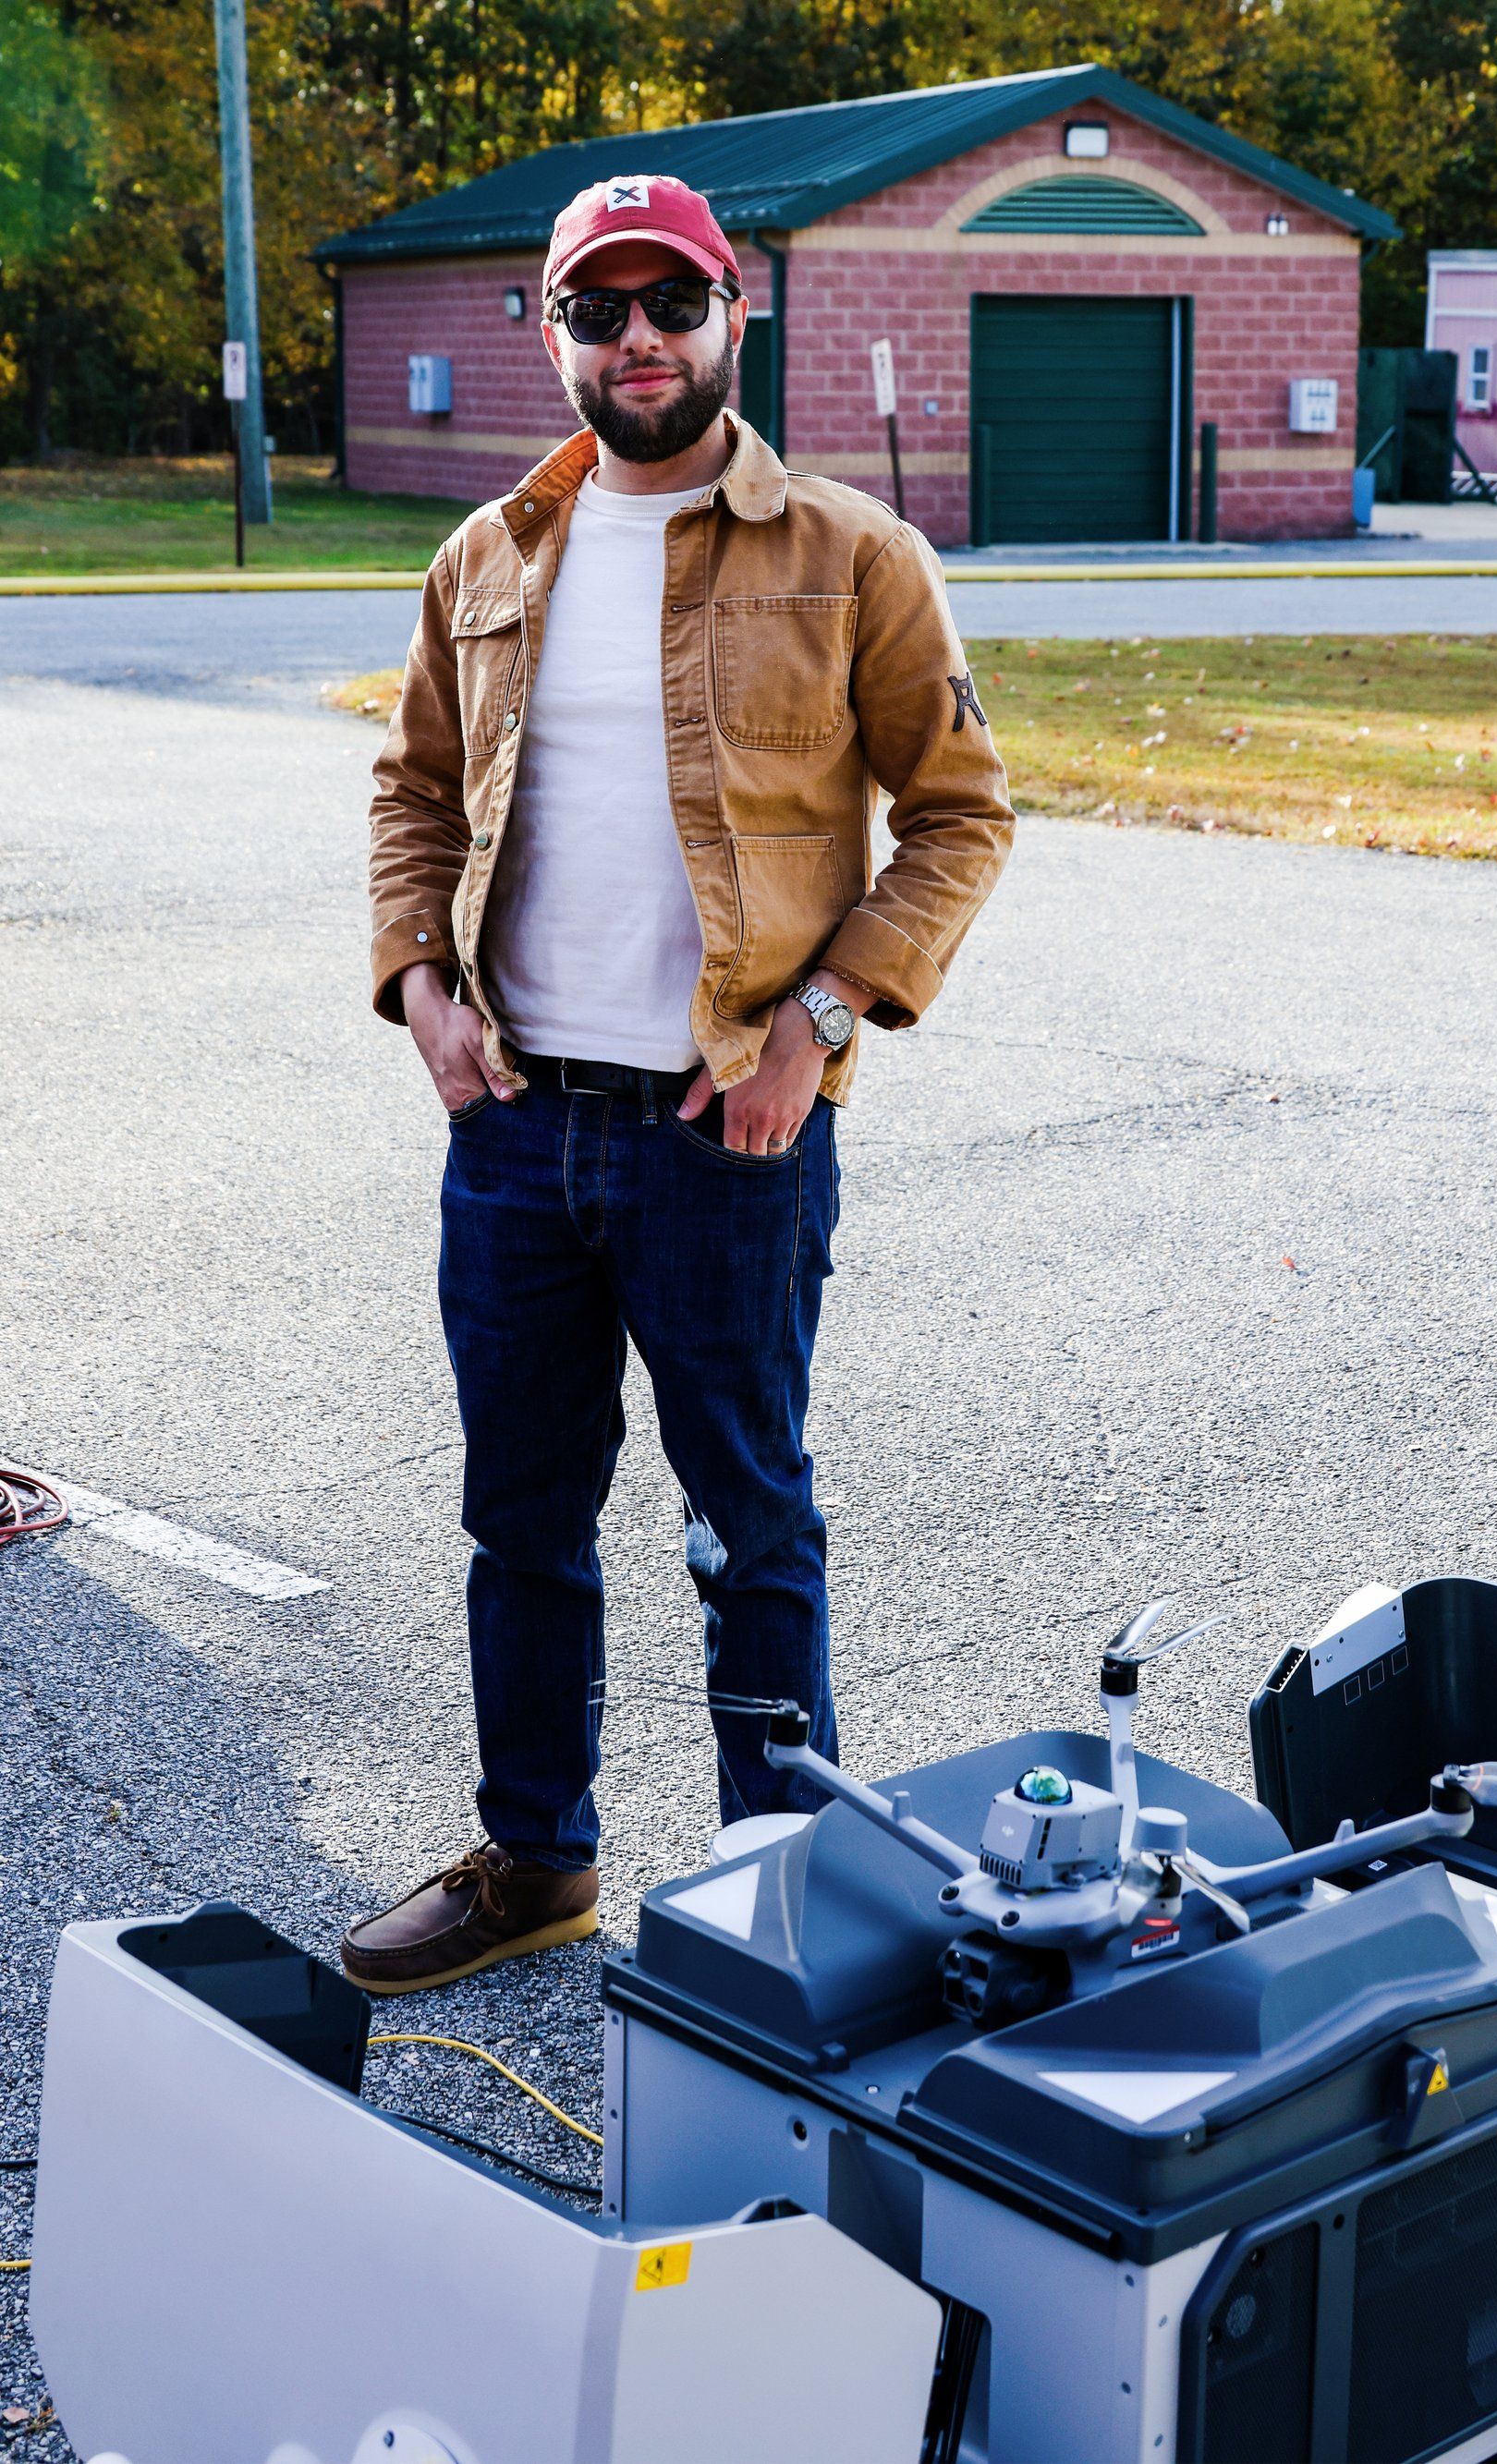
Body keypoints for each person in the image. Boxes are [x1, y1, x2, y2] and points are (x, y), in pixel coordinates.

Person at [343, 172, 1014, 1994]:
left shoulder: (851, 552)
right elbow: (411, 794)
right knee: (520, 1516)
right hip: (516, 1131)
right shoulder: (482, 557)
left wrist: (826, 1021)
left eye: (669, 301)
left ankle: (779, 1908)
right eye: (595, 306)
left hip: (730, 1129)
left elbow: (959, 816)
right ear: (549, 332)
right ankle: (536, 1856)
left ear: (735, 314)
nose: (635, 335)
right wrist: (418, 985)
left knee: (749, 1525)